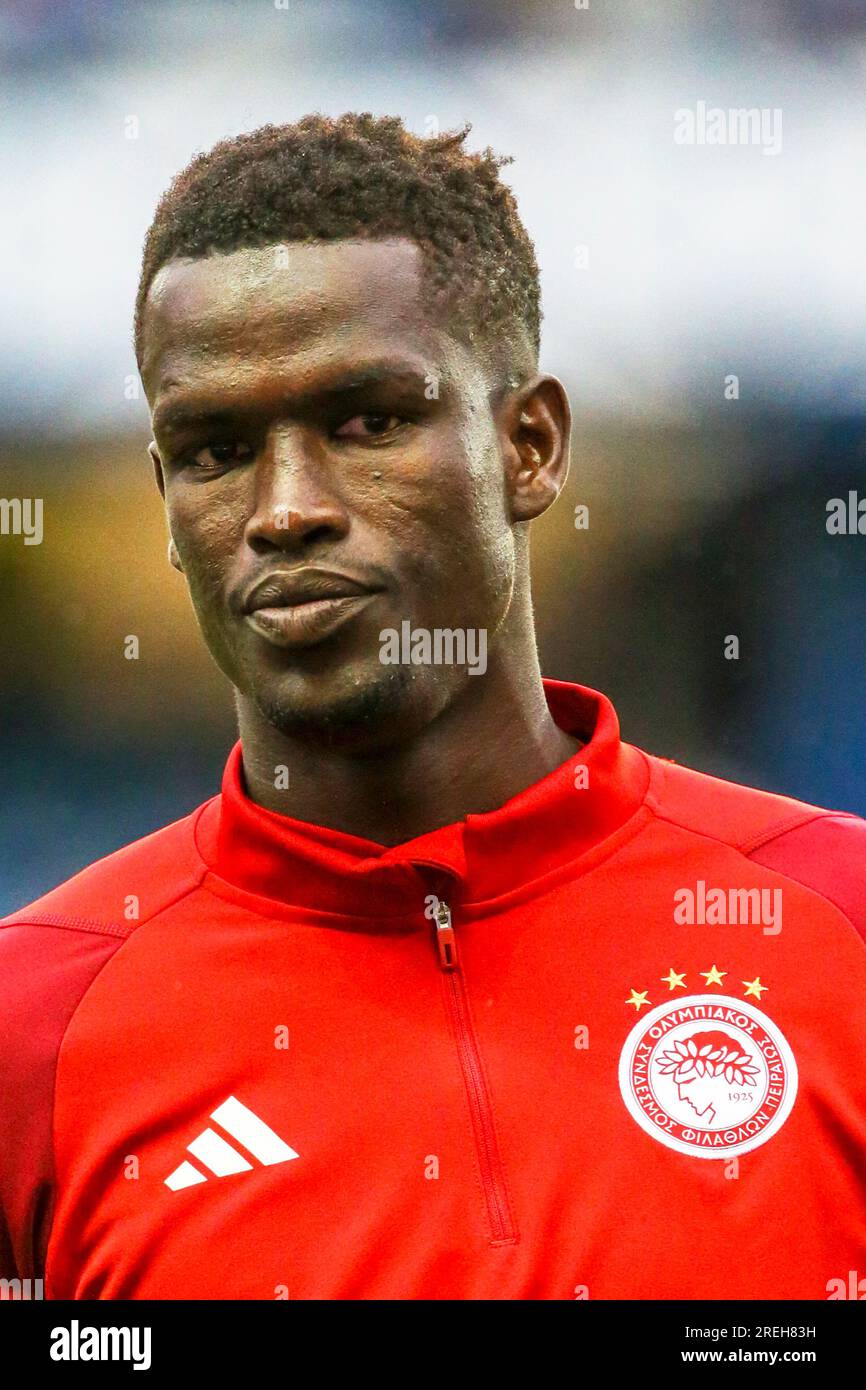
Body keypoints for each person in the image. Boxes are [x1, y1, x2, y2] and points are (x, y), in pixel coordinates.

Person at [1, 114, 864, 1301]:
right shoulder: (32, 1031)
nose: (286, 508)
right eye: (213, 450)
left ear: (528, 445)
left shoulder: (836, 922)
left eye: (366, 422)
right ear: (163, 500)